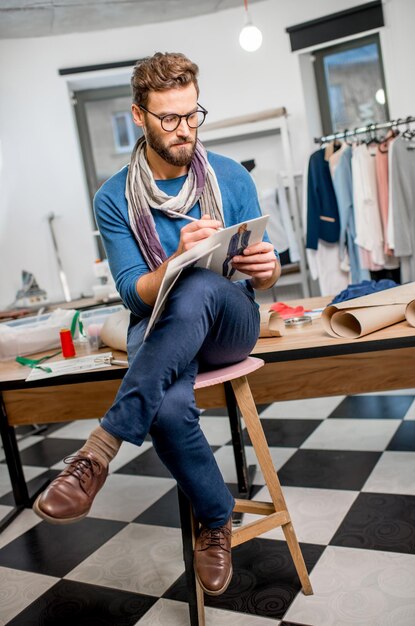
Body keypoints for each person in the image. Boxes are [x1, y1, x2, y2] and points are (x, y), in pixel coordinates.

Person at [33, 52, 281, 596]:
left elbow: (264, 270)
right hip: (161, 322)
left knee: (198, 285)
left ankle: (98, 449)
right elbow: (131, 291)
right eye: (169, 118)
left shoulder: (231, 176)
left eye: (193, 115)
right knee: (167, 403)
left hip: (231, 322)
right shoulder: (113, 197)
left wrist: (268, 268)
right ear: (139, 115)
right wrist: (175, 262)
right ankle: (216, 521)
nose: (185, 130)